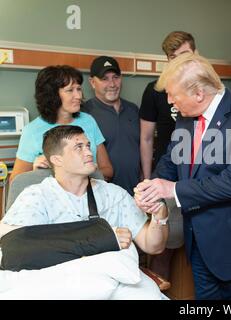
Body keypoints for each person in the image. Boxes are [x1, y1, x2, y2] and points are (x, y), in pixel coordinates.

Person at [134, 53, 231, 300]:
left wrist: (172, 190)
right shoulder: (185, 116)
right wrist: (151, 188)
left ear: (198, 94)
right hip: (201, 245)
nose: (169, 101)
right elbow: (172, 160)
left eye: (173, 94)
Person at [1, 125, 168, 256]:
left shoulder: (114, 195)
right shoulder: (37, 197)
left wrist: (159, 216)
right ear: (57, 159)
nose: (89, 152)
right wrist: (102, 239)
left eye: (88, 145)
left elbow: (152, 246)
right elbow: (12, 244)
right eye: (79, 147)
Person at [139, 30, 196, 279]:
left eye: (184, 54)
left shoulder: (211, 91)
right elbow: (146, 137)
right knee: (163, 248)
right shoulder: (156, 90)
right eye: (174, 57)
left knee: (202, 247)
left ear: (195, 53)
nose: (180, 61)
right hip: (167, 177)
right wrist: (149, 179)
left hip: (200, 179)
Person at [9, 65, 113, 182]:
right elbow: (15, 183)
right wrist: (36, 172)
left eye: (78, 89)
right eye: (70, 90)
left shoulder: (88, 121)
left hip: (89, 195)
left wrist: (83, 171)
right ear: (52, 95)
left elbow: (108, 170)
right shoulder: (32, 131)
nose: (78, 96)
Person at [82, 56, 140, 195]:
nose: (112, 84)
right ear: (92, 82)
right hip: (103, 195)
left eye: (116, 77)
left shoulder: (133, 109)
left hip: (136, 191)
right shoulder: (85, 114)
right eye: (104, 79)